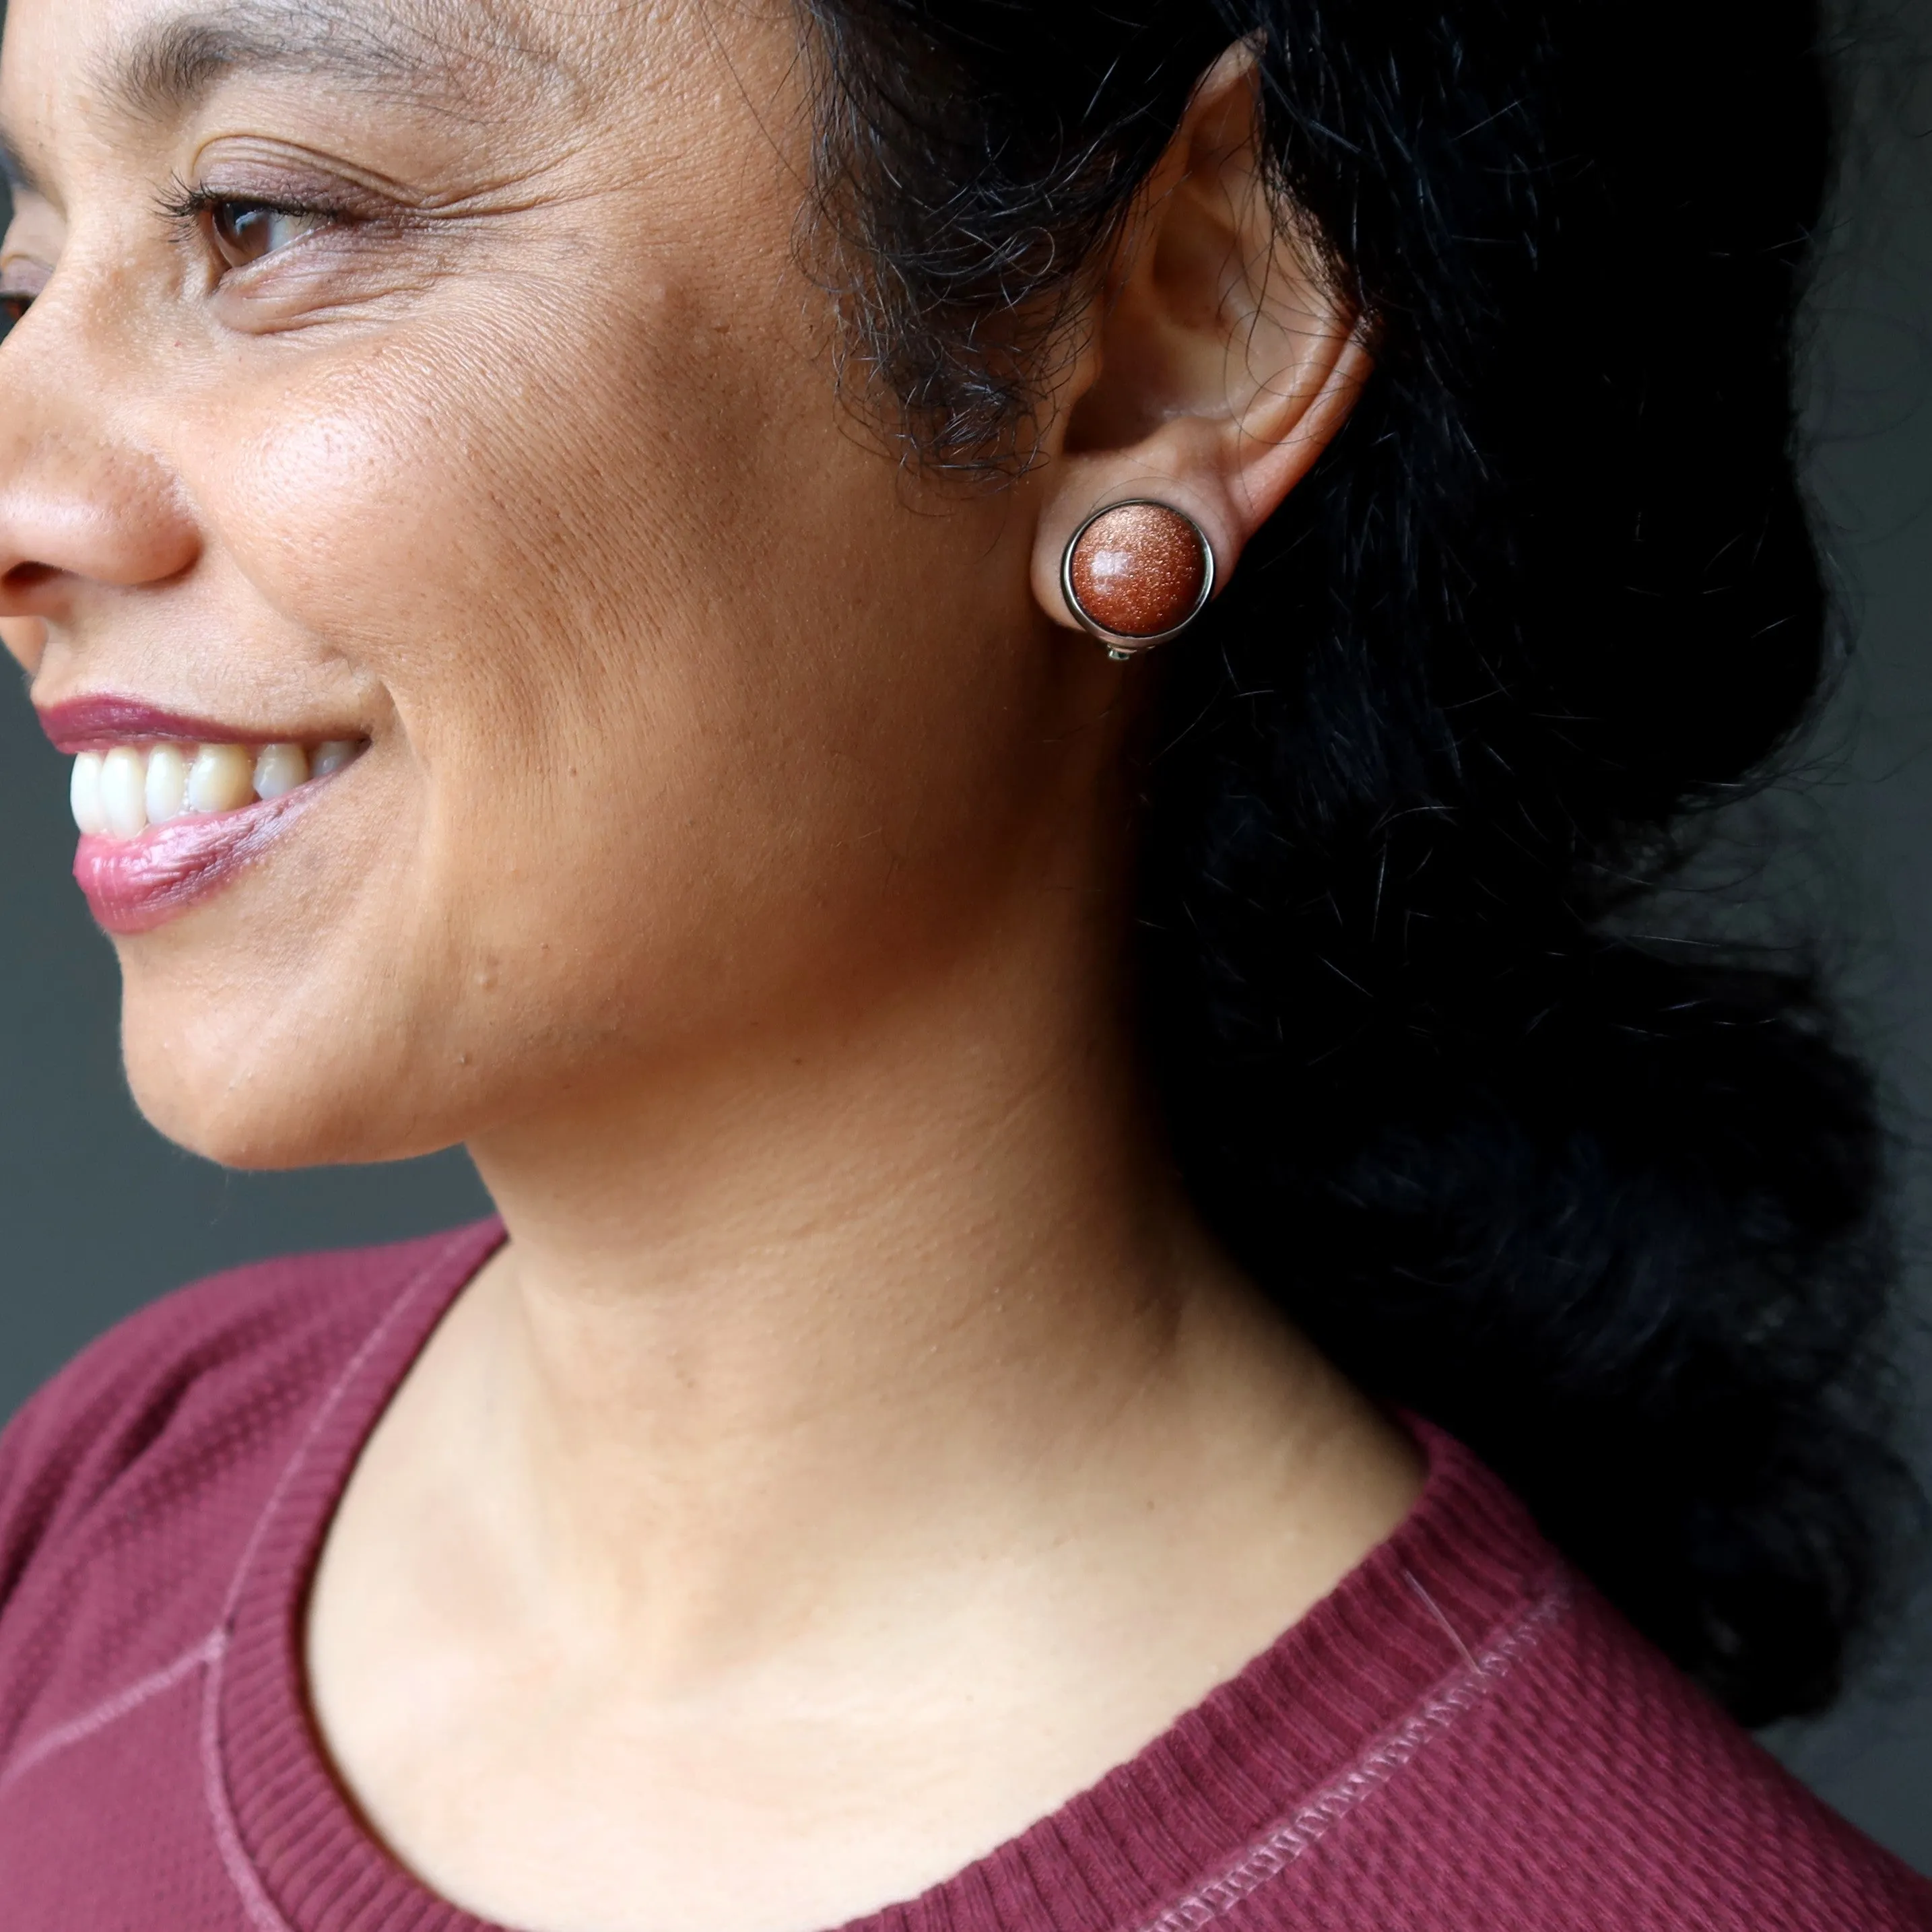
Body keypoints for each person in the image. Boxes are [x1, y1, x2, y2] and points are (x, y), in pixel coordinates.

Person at [0, 0, 1925, 1925]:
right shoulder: (118, 1499)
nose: (25, 504)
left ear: (1184, 319)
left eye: (261, 218)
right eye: (29, 262)